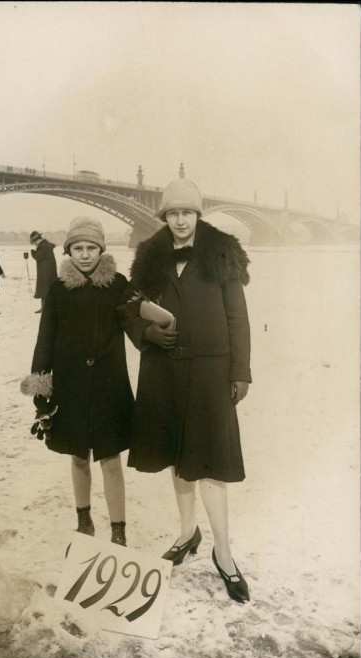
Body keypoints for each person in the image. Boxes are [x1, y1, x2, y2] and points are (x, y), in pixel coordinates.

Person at [119, 179, 252, 602]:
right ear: (164, 216)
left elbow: (237, 317)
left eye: (187, 213)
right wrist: (146, 333)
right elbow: (128, 309)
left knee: (211, 463)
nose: (180, 221)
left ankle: (223, 552)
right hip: (164, 371)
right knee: (177, 456)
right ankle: (186, 532)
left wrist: (241, 372)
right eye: (173, 213)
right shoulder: (149, 256)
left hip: (211, 372)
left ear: (198, 215)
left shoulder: (221, 253)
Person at [20, 216, 135, 546]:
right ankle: (84, 522)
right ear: (69, 251)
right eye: (78, 248)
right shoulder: (58, 289)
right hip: (70, 388)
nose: (85, 255)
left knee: (110, 459)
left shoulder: (118, 285)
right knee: (78, 456)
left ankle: (118, 532)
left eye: (91, 248)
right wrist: (41, 390)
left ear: (101, 250)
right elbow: (45, 341)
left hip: (108, 388)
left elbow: (137, 323)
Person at [29, 230, 58, 312]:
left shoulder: (42, 246)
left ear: (37, 240)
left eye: (34, 242)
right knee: (47, 290)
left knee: (44, 290)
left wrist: (32, 252)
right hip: (50, 271)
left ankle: (45, 308)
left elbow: (38, 257)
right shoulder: (47, 244)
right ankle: (46, 308)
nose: (35, 244)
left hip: (44, 272)